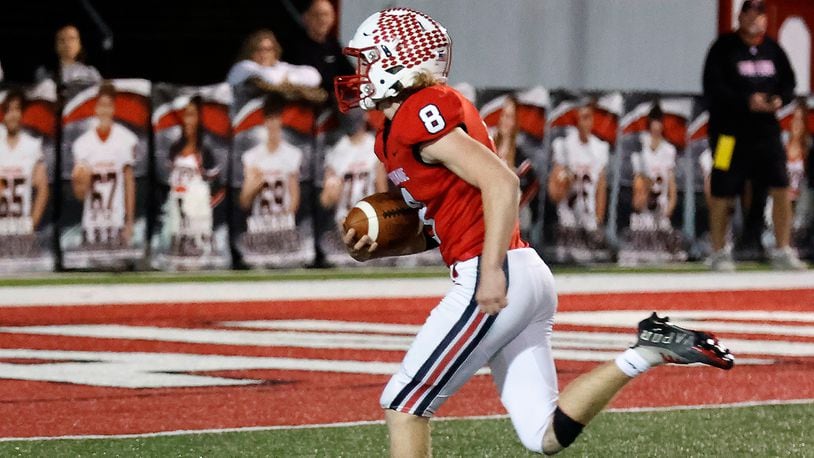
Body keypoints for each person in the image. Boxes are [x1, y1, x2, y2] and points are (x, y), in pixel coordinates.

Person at [335, 8, 734, 456]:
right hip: (523, 273)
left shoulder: (419, 112)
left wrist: (489, 272)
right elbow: (439, 225)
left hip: (496, 271)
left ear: (396, 60)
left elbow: (502, 182)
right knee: (542, 434)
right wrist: (374, 250)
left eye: (368, 59)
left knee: (405, 403)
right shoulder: (398, 130)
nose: (360, 72)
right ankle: (647, 351)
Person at [702, 0, 804, 271]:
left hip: (766, 132)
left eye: (758, 14)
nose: (753, 19)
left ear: (764, 19)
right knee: (722, 188)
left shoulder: (772, 50)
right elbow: (712, 87)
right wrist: (746, 100)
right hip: (727, 133)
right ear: (740, 16)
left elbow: (789, 83)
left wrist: (779, 100)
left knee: (781, 185)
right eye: (748, 13)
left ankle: (782, 248)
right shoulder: (723, 49)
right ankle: (718, 251)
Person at [71, 82, 137, 247]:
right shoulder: (82, 143)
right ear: (95, 108)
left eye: (108, 105)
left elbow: (129, 183)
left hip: (117, 221)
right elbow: (79, 195)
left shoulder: (125, 139)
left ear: (114, 108)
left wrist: (129, 221)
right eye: (101, 105)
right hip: (91, 222)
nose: (105, 110)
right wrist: (80, 182)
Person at [239, 96, 302, 248]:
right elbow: (244, 201)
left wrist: (285, 222)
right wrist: (254, 185)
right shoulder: (251, 157)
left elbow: (294, 196)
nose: (273, 124)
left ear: (281, 120)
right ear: (264, 121)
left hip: (283, 224)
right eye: (269, 119)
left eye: (276, 118)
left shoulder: (292, 154)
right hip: (259, 224)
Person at [165, 96, 222, 256]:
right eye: (186, 115)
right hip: (176, 217)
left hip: (198, 218)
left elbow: (218, 190)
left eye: (192, 115)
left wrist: (204, 211)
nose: (188, 120)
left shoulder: (205, 151)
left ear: (199, 119)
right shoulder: (174, 149)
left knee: (198, 258)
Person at [547, 101, 608, 236]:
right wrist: (565, 181)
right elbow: (553, 192)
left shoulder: (600, 148)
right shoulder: (564, 146)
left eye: (587, 118)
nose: (583, 123)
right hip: (567, 218)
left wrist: (599, 218)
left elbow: (601, 188)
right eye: (581, 118)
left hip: (589, 219)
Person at [0, 89, 49, 237]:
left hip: (23, 228)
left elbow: (43, 189)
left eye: (16, 109)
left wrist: (32, 224)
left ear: (22, 113)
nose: (13, 115)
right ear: (3, 115)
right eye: (8, 110)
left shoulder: (32, 145)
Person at [226, 29, 323, 103]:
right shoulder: (243, 67)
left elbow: (314, 75)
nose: (263, 54)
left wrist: (289, 78)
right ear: (250, 52)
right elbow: (271, 79)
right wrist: (287, 81)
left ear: (275, 51)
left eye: (268, 49)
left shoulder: (279, 67)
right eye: (259, 49)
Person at [287, 0, 355, 101]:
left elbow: (350, 73)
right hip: (310, 102)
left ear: (333, 18)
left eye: (326, 15)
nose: (322, 19)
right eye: (317, 15)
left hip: (336, 100)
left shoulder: (333, 44)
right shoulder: (296, 47)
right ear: (306, 17)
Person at [631, 104, 677, 222]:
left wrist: (669, 210)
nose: (656, 127)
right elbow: (638, 184)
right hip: (643, 215)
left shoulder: (669, 150)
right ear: (649, 123)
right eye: (654, 122)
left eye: (659, 122)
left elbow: (671, 185)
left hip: (662, 214)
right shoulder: (640, 146)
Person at [35, 25, 102, 85]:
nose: (67, 44)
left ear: (80, 44)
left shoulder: (91, 72)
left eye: (72, 39)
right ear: (55, 45)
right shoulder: (44, 72)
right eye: (62, 40)